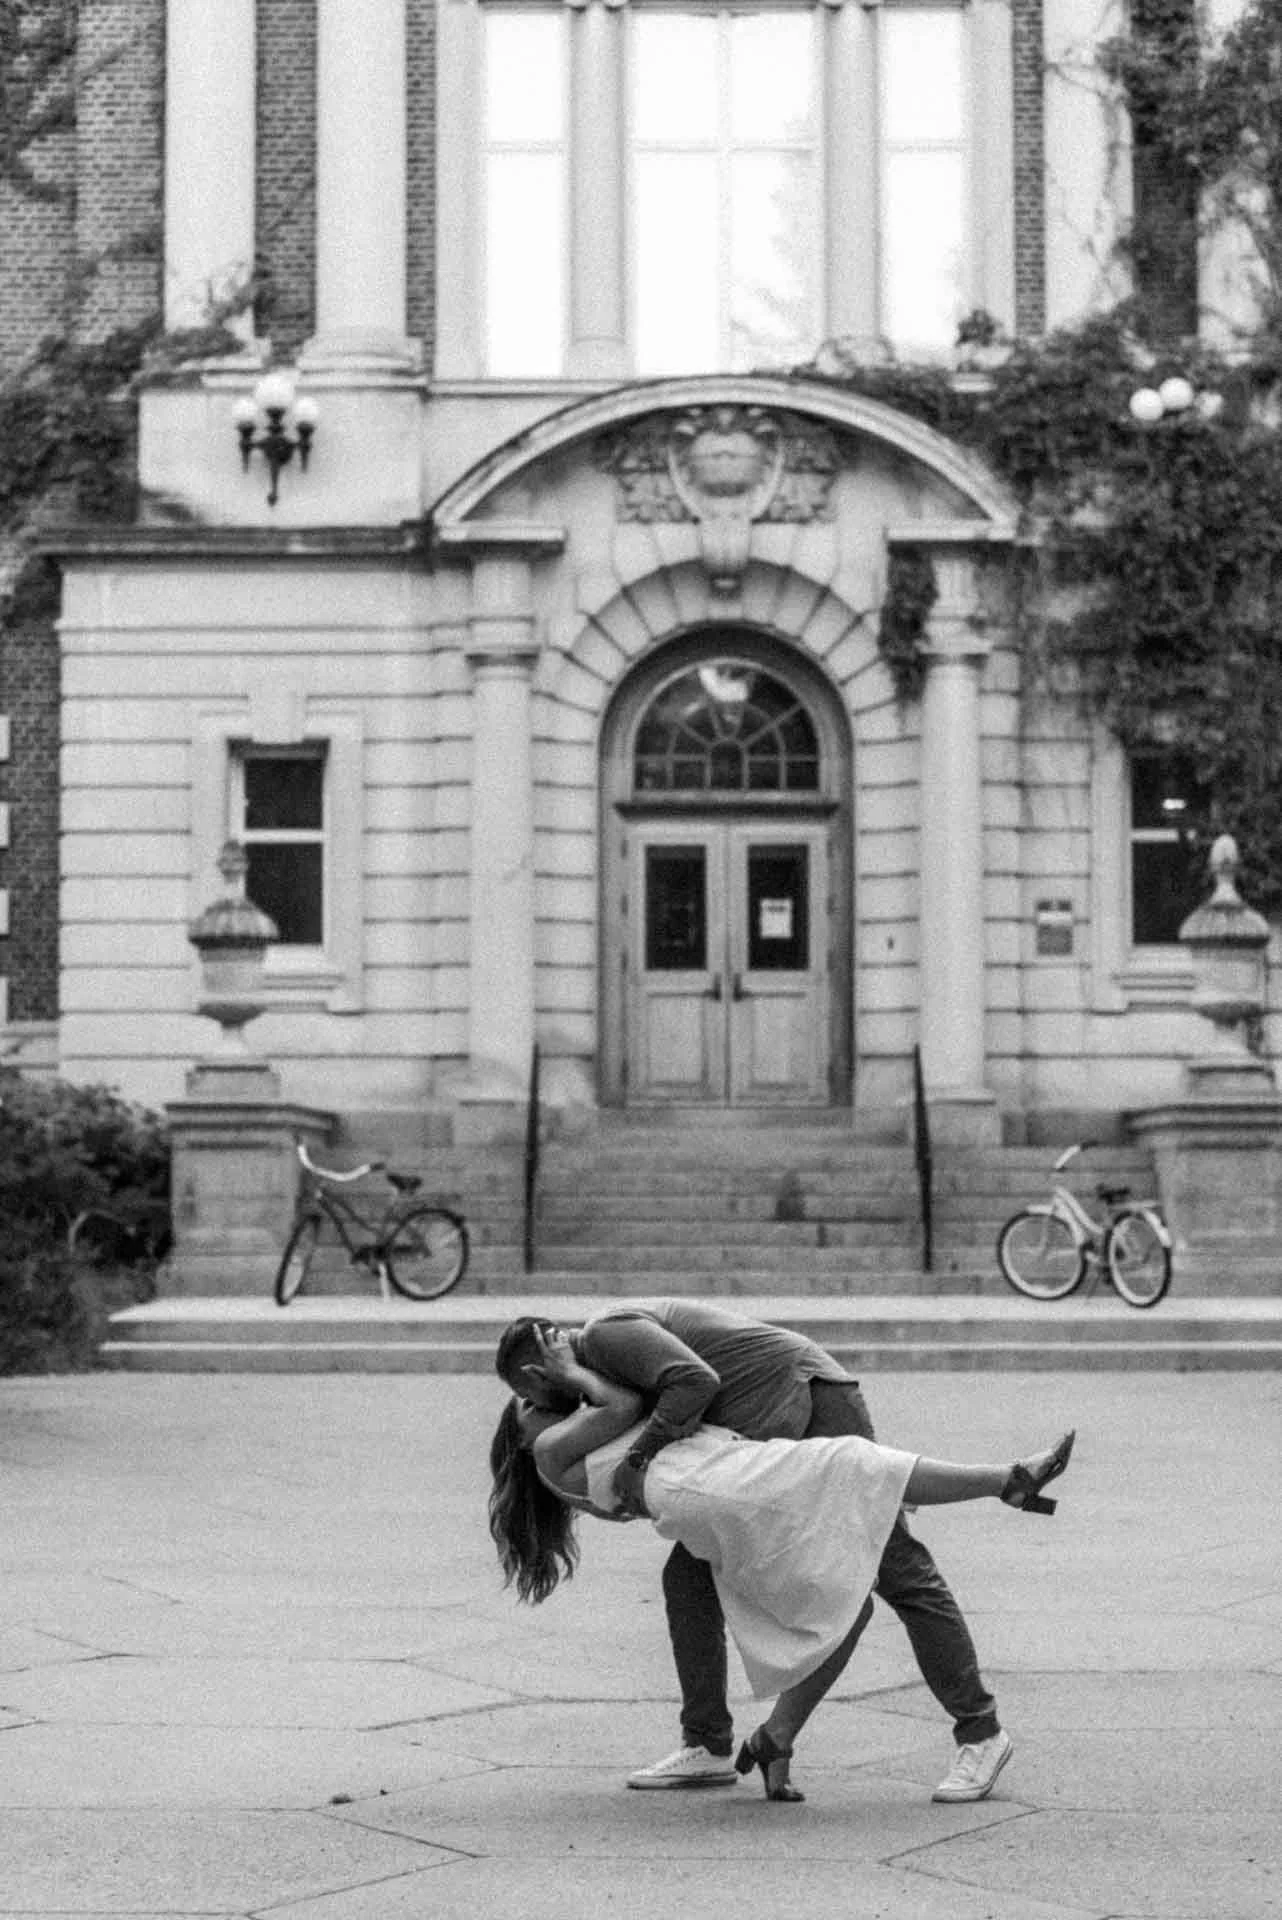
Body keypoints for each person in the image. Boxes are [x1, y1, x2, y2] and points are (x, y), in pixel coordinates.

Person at [489, 1326, 1075, 1803]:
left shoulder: (610, 1342)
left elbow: (685, 1387)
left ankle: (976, 1731)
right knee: (854, 1483)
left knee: (883, 1548)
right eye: (527, 1408)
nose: (536, 1406)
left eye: (530, 1394)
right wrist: (584, 1391)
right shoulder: (559, 1444)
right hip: (726, 1487)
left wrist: (584, 1390)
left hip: (790, 1410)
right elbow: (635, 1425)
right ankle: (724, 1743)